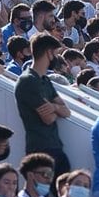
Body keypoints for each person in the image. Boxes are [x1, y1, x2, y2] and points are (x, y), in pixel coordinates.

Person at [14, 33, 71, 176]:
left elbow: (66, 111)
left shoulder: (45, 80)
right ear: (48, 52)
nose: (56, 58)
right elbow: (49, 118)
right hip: (39, 151)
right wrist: (55, 108)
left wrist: (54, 107)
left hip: (55, 147)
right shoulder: (28, 80)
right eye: (56, 53)